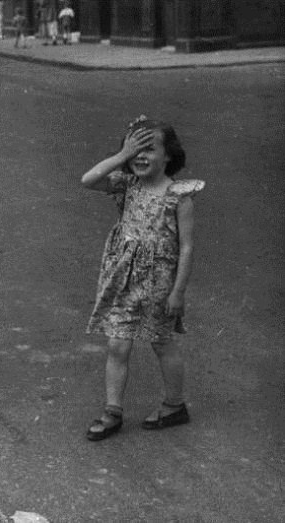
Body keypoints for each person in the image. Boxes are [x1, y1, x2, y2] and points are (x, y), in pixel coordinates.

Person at [80, 115, 204, 441]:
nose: (141, 155)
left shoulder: (179, 195)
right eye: (135, 148)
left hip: (160, 282)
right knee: (117, 344)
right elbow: (88, 179)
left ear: (169, 156)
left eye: (150, 148)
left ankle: (174, 405)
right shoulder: (125, 184)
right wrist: (121, 156)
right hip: (123, 277)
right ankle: (112, 411)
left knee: (161, 342)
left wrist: (178, 292)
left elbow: (187, 248)